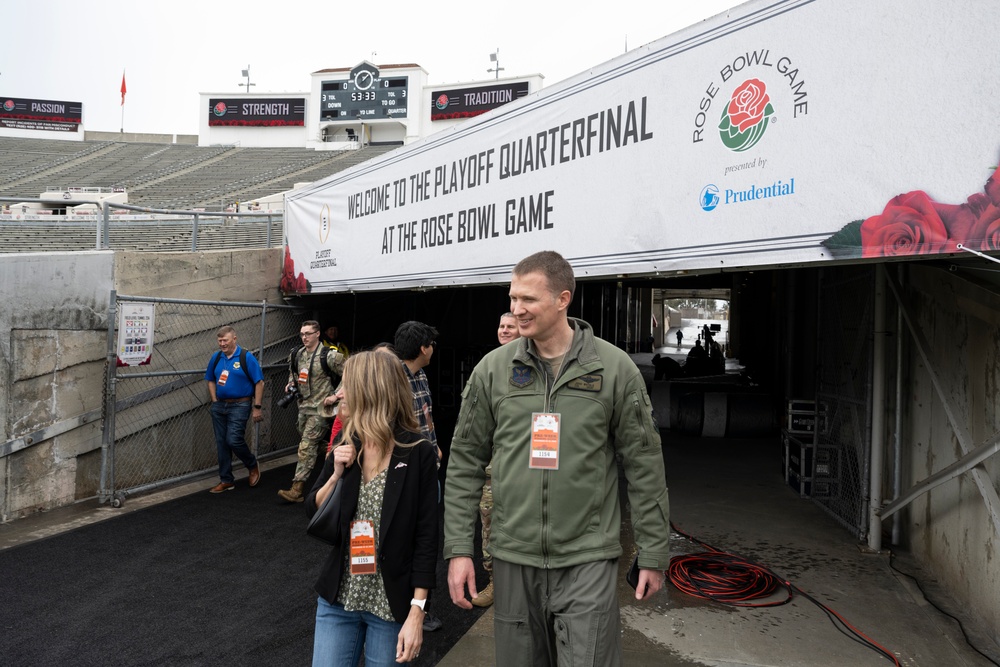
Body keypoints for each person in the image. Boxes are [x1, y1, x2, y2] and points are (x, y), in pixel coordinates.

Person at [444, 250, 670, 666]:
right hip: (514, 558)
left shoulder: (614, 369)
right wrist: (459, 549)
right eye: (513, 298)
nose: (516, 309)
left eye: (528, 299)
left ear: (563, 299)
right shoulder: (492, 371)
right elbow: (463, 462)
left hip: (587, 557)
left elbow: (644, 465)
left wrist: (653, 552)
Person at [305, 351, 439, 667]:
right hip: (339, 599)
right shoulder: (347, 440)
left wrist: (417, 613)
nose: (339, 393)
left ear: (370, 390)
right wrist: (336, 475)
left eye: (346, 385)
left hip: (391, 606)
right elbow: (313, 510)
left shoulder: (418, 451)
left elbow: (426, 538)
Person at [393, 320, 444, 632]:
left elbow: (425, 416)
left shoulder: (421, 374)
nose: (433, 349)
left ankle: (422, 609)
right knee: (408, 542)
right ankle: (408, 609)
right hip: (405, 473)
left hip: (428, 469)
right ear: (423, 348)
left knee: (426, 537)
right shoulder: (390, 379)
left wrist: (434, 447)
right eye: (431, 344)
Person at [471, 312, 521, 608]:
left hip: (524, 471)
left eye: (510, 327)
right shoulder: (488, 368)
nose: (504, 330)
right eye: (501, 325)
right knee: (488, 527)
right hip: (493, 470)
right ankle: (494, 583)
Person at [278, 320, 346, 503]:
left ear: (317, 334)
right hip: (303, 406)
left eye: (308, 333)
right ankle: (332, 449)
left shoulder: (330, 355)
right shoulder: (297, 354)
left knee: (306, 445)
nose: (304, 337)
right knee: (307, 440)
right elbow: (293, 372)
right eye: (302, 334)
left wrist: (336, 395)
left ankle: (297, 489)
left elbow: (349, 374)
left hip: (321, 409)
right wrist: (291, 383)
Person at [204, 325, 264, 493]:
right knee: (221, 443)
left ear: (234, 339)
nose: (222, 344)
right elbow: (210, 379)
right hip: (220, 405)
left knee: (233, 439)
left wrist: (257, 407)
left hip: (241, 404)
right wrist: (214, 399)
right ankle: (226, 480)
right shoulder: (216, 358)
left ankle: (252, 465)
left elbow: (259, 382)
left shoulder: (246, 357)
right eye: (220, 341)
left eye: (225, 340)